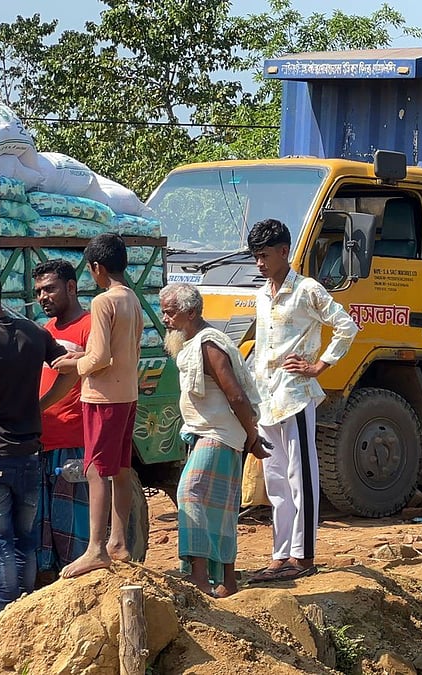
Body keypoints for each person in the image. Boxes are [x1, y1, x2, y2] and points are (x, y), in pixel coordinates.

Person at [0, 265, 77, 613]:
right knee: (26, 541)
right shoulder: (34, 332)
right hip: (29, 456)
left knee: (0, 544)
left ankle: (7, 615)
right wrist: (41, 405)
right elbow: (70, 368)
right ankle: (26, 611)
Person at [246, 219, 358, 583]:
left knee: (301, 476)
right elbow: (262, 348)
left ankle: (304, 555)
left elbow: (346, 326)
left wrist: (319, 366)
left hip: (294, 394)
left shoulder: (307, 289)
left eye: (264, 256)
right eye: (255, 257)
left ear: (284, 252)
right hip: (267, 395)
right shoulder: (262, 294)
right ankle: (280, 554)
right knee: (275, 478)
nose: (260, 263)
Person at [160, 282, 269, 597]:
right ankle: (228, 583)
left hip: (219, 434)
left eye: (171, 313)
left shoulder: (209, 345)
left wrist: (253, 437)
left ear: (191, 312)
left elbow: (235, 394)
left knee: (190, 492)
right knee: (221, 507)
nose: (166, 319)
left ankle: (199, 577)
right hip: (212, 433)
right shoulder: (194, 342)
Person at [52, 233, 143, 578]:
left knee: (95, 470)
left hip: (102, 398)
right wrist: (83, 356)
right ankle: (119, 542)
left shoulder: (103, 302)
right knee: (119, 468)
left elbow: (101, 357)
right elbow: (121, 352)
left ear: (97, 268)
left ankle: (96, 549)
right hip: (126, 394)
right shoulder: (132, 299)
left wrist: (75, 364)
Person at [32, 259, 93, 574]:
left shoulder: (91, 326)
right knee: (47, 535)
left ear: (71, 287)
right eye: (39, 291)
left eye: (50, 289)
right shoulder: (45, 331)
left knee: (74, 535)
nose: (43, 297)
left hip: (74, 442)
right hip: (44, 443)